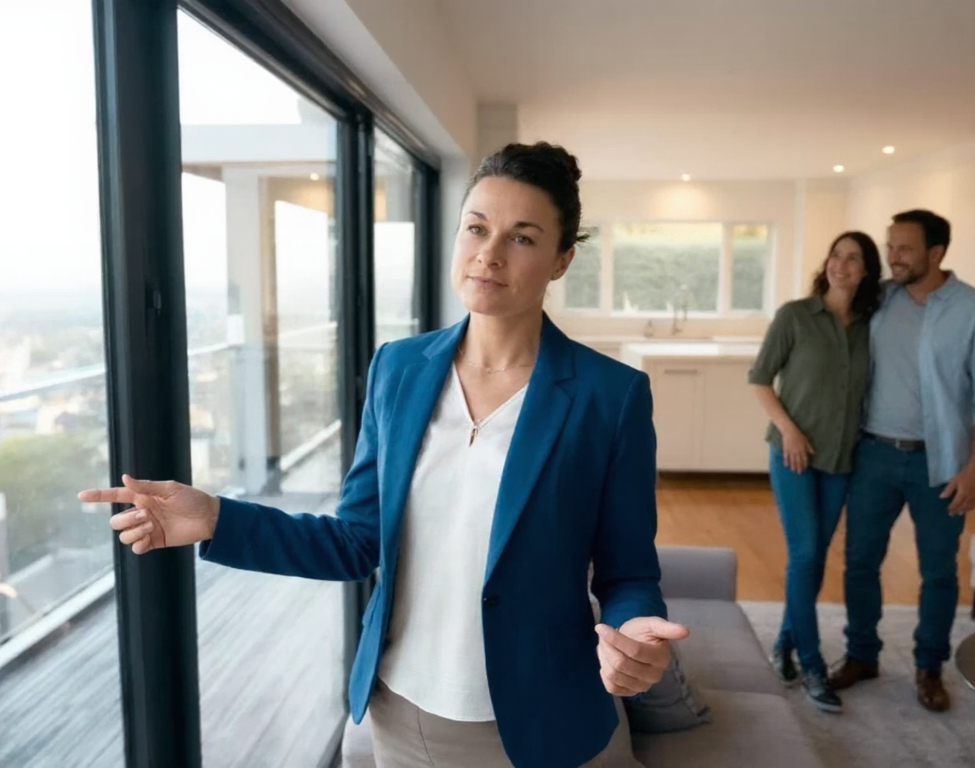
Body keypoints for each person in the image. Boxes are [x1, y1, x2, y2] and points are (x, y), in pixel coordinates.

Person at [79, 142, 689, 768]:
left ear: (561, 260)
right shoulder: (398, 370)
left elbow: (628, 572)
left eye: (523, 238)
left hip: (541, 715)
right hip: (403, 710)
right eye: (476, 228)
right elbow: (356, 541)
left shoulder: (609, 397)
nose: (489, 253)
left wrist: (635, 629)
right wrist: (216, 518)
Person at [829, 209, 975, 712]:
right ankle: (861, 653)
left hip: (942, 463)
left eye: (904, 248)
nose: (892, 257)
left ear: (937, 252)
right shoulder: (879, 300)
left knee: (938, 571)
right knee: (860, 562)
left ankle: (929, 666)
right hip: (873, 455)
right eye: (890, 246)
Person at [748, 231, 883, 713]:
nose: (841, 265)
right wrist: (789, 431)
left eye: (853, 258)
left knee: (814, 559)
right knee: (805, 555)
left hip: (841, 459)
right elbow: (760, 378)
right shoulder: (795, 317)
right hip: (794, 457)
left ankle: (784, 643)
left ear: (867, 270)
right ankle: (811, 665)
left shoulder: (871, 325)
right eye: (835, 256)